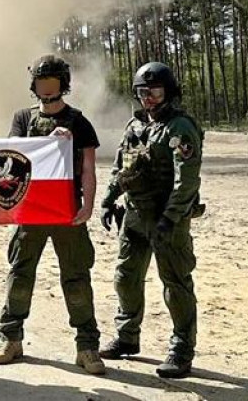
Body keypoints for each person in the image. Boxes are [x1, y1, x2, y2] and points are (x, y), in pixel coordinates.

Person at [0, 54, 106, 375]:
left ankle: (87, 346)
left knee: (76, 277)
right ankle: (11, 338)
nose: (46, 87)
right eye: (42, 82)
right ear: (34, 85)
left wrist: (87, 205)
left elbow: (88, 169)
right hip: (31, 210)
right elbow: (12, 157)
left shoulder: (79, 122)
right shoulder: (22, 119)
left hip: (67, 210)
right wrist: (47, 141)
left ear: (63, 84)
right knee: (20, 273)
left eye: (52, 82)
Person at [99, 61, 205, 379]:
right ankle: (127, 337)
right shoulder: (135, 128)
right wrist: (108, 199)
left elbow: (186, 182)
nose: (149, 98)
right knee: (125, 278)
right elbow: (123, 168)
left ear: (168, 92)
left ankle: (182, 350)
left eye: (155, 92)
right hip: (134, 215)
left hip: (166, 218)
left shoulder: (180, 128)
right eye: (143, 92)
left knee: (175, 285)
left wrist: (170, 219)